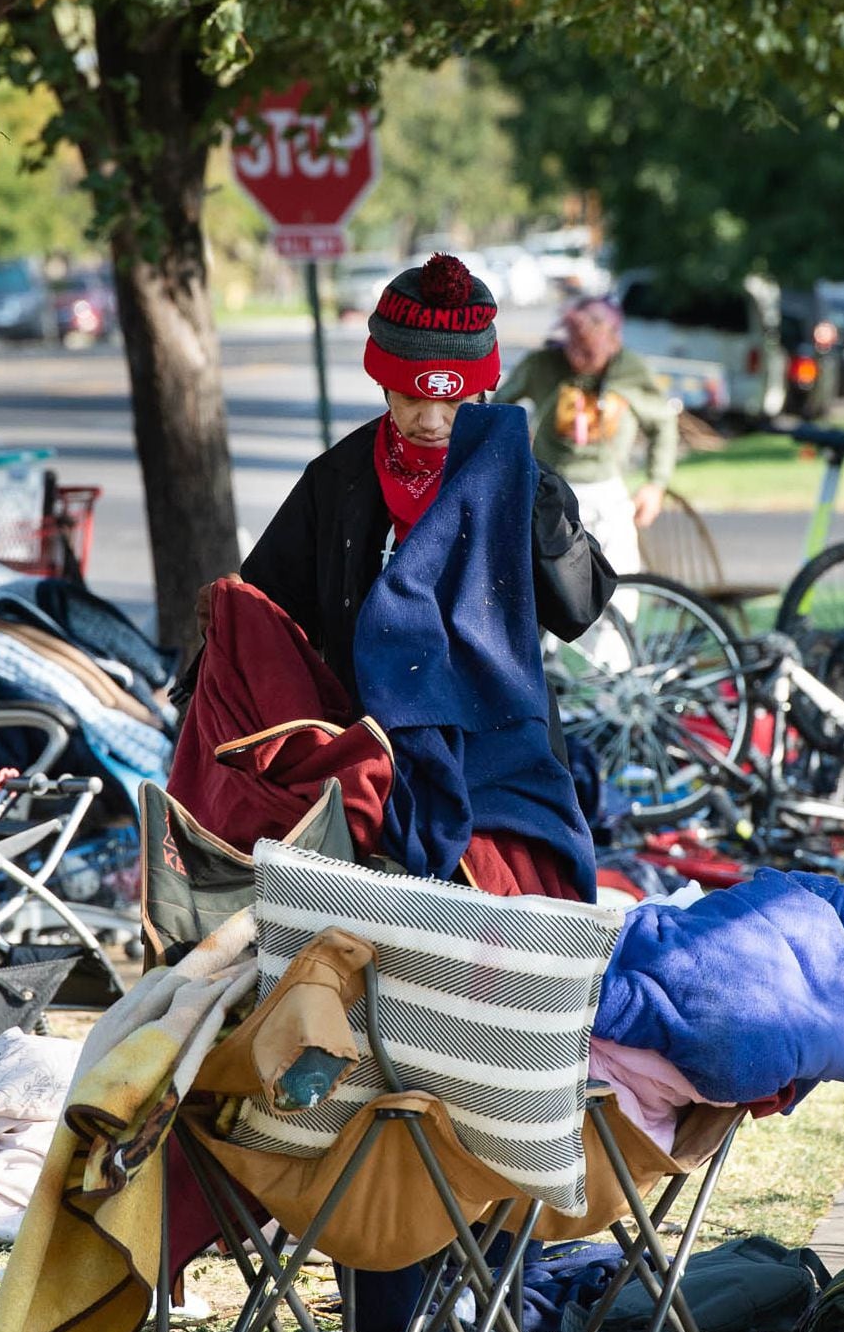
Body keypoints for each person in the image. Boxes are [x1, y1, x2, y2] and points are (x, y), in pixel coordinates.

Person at [238, 251, 615, 899]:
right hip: (374, 756)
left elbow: (577, 609)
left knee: (502, 959)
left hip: (502, 758)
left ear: (483, 390)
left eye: (455, 401)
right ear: (382, 383)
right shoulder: (338, 480)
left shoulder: (523, 482)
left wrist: (533, 495)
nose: (433, 420)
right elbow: (271, 608)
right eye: (412, 396)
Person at [496, 296, 677, 573]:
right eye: (575, 345)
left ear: (613, 340)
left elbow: (663, 423)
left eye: (590, 349)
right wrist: (514, 449)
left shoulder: (629, 370)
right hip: (547, 490)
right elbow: (498, 407)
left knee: (619, 582)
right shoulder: (543, 365)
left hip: (607, 491)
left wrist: (656, 484)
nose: (580, 357)